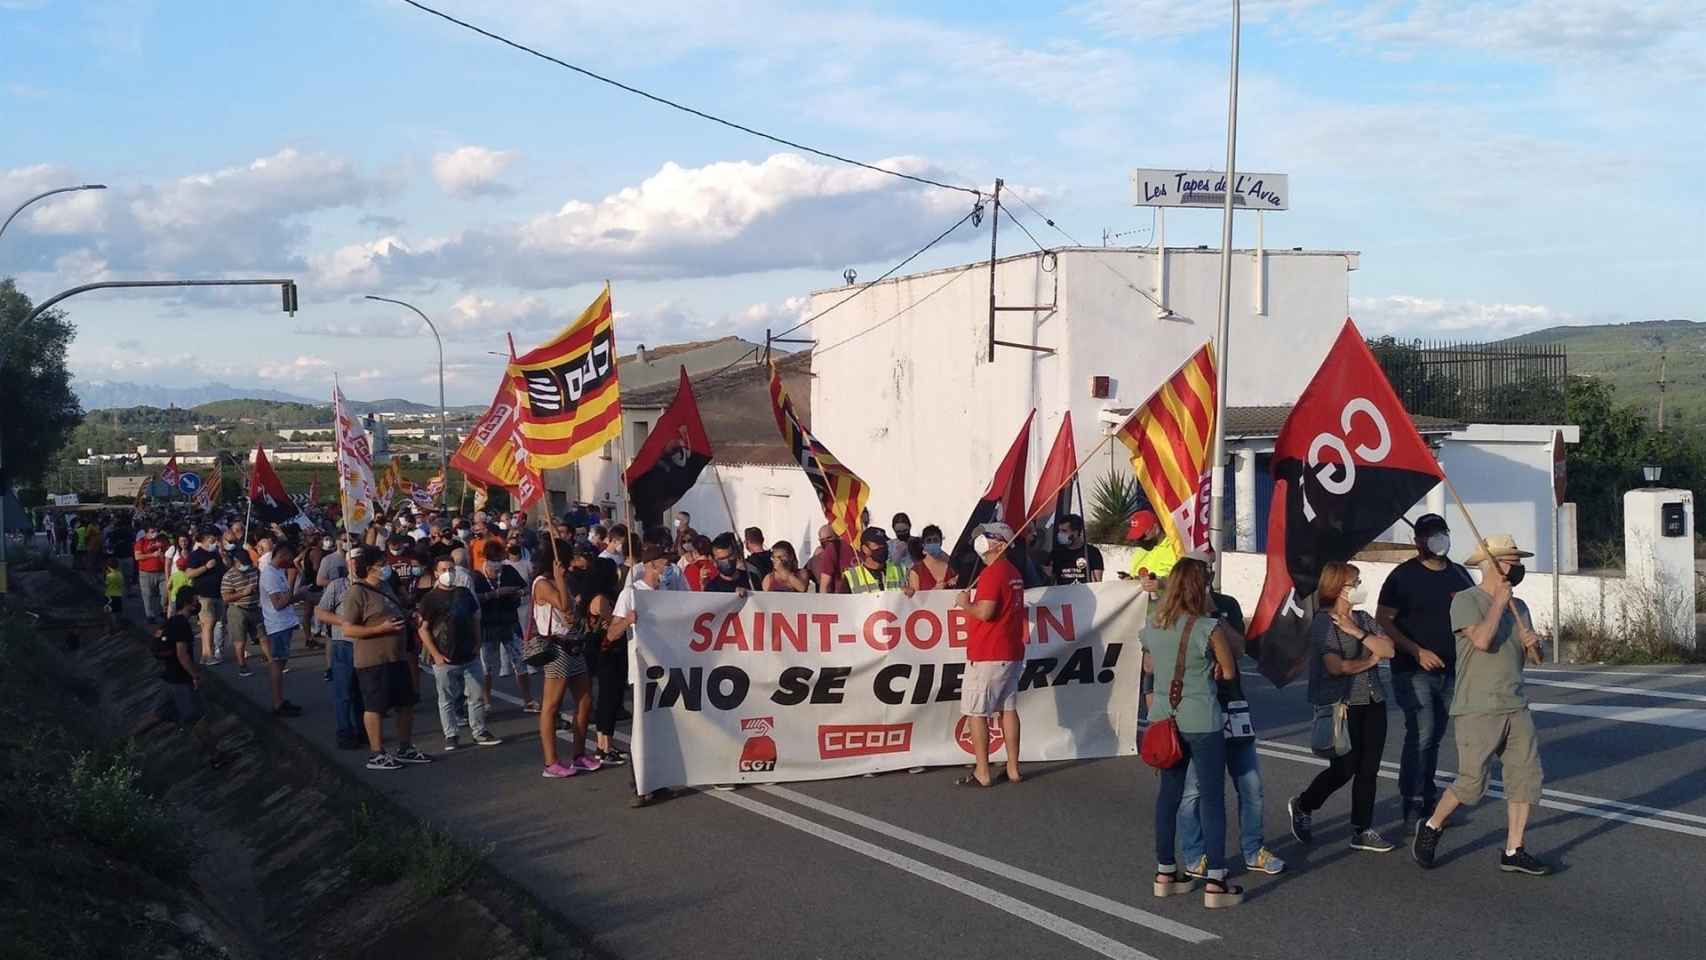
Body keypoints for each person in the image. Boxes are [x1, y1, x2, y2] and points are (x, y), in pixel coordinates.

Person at [1413, 534, 1552, 876]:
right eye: (1510, 561)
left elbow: (1534, 657)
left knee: (1525, 777)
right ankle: (1432, 826)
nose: (1517, 567)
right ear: (1491, 565)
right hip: (1477, 705)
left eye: (1518, 561)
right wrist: (1497, 604)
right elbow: (1481, 640)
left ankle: (1514, 849)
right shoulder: (1466, 600)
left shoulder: (1520, 608)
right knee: (1472, 783)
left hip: (1515, 703)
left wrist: (1535, 645)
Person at [1142, 556, 1244, 908]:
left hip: (1164, 720)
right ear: (1199, 587)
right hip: (1202, 719)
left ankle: (1165, 872)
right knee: (1212, 798)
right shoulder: (1208, 627)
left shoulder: (1153, 623)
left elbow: (1149, 664)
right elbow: (1230, 671)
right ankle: (1216, 879)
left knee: (1167, 796)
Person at [1177, 557, 1286, 877]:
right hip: (1197, 713)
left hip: (1233, 706)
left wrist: (1213, 614)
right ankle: (1195, 855)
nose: (1206, 578)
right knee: (1193, 791)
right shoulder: (1174, 616)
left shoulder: (1226, 605)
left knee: (1251, 785)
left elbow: (1238, 651)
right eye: (1201, 575)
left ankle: (1254, 849)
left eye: (1208, 573)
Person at [1288, 561, 1398, 853]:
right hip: (1343, 703)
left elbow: (1389, 650)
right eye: (1354, 583)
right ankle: (1304, 804)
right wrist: (1369, 661)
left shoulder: (1361, 619)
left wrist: (1359, 633)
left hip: (1373, 699)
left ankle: (1362, 829)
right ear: (1338, 587)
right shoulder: (1324, 623)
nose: (1359, 587)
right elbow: (1336, 666)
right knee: (1344, 768)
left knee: (1369, 769)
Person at [1377, 513, 1475, 835]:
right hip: (1413, 669)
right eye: (1431, 534)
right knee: (1422, 732)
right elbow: (1385, 619)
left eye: (1441, 533)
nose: (1438, 539)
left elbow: (1473, 614)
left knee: (1435, 736)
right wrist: (1416, 651)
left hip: (1453, 668)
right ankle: (1414, 803)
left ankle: (1428, 796)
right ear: (1417, 541)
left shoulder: (1460, 575)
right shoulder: (1402, 577)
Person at [339, 546, 431, 771]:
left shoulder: (386, 586)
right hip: (373, 660)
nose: (387, 568)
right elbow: (348, 629)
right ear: (370, 567)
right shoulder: (356, 592)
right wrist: (380, 628)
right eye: (383, 564)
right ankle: (376, 753)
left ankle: (405, 747)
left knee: (406, 703)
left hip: (397, 656)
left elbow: (397, 609)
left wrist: (410, 616)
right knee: (375, 706)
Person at [953, 523, 1025, 788]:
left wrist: (965, 604)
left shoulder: (993, 574)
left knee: (977, 712)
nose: (982, 540)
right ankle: (1013, 767)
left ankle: (982, 771)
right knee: (1008, 709)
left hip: (988, 652)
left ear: (1001, 544)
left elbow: (985, 612)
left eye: (989, 537)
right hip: (1010, 651)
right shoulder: (1013, 572)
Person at [134, 586, 227, 769]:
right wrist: (195, 675)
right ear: (189, 603)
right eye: (195, 601)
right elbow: (182, 654)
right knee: (197, 719)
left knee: (156, 715)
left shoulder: (171, 621)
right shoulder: (182, 624)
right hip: (180, 680)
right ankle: (216, 756)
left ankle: (124, 742)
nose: (198, 604)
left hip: (169, 677)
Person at [531, 539, 602, 778]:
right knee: (552, 705)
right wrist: (559, 577)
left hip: (573, 643)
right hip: (555, 647)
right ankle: (551, 761)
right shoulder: (542, 583)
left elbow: (568, 610)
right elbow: (561, 603)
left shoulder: (559, 581)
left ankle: (579, 754)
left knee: (584, 700)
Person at [418, 557, 501, 750]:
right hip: (445, 658)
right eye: (444, 569)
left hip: (469, 655)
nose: (449, 572)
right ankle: (451, 734)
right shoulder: (430, 598)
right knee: (447, 698)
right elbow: (423, 629)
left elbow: (475, 618)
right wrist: (436, 655)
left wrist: (478, 641)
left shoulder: (464, 593)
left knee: (476, 695)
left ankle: (479, 731)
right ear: (436, 573)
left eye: (451, 568)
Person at [474, 541, 535, 714]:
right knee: (486, 666)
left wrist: (516, 592)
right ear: (487, 558)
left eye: (500, 559)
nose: (498, 563)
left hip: (509, 622)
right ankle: (486, 703)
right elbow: (472, 597)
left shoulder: (508, 570)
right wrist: (492, 594)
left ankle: (528, 700)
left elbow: (525, 587)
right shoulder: (477, 575)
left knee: (520, 662)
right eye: (494, 560)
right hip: (487, 625)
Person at [313, 553, 364, 750]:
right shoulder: (337, 586)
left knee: (362, 692)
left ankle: (363, 730)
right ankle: (345, 731)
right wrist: (343, 622)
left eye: (360, 559)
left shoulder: (371, 584)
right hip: (344, 644)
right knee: (343, 692)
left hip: (366, 645)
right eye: (352, 560)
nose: (356, 563)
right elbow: (321, 611)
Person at [259, 541, 309, 717]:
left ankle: (279, 700)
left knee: (280, 662)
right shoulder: (269, 575)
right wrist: (296, 595)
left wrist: (296, 595)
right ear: (282, 554)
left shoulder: (277, 572)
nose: (291, 561)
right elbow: (278, 604)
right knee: (277, 663)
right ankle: (277, 703)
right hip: (277, 624)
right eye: (290, 557)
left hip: (283, 623)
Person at [220, 546, 263, 678]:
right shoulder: (229, 576)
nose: (246, 565)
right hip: (237, 609)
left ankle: (271, 660)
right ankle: (242, 665)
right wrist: (243, 593)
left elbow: (261, 584)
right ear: (236, 561)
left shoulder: (254, 571)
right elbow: (226, 597)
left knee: (263, 636)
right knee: (240, 640)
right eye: (243, 563)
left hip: (255, 607)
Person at [187, 528, 225, 665]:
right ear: (204, 539)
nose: (215, 541)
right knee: (208, 624)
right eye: (212, 538)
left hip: (218, 593)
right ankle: (208, 655)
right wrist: (205, 567)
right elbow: (189, 573)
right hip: (204, 595)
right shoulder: (196, 555)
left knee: (215, 624)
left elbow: (225, 568)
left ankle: (206, 655)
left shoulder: (216, 554)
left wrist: (223, 554)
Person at [1124, 509, 1177, 588]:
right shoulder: (1141, 551)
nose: (1140, 540)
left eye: (1142, 536)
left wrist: (1161, 583)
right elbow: (1134, 576)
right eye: (1137, 537)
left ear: (1156, 528)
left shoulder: (1177, 548)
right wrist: (1130, 580)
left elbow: (1186, 580)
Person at [1047, 513, 1104, 586]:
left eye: (1064, 531)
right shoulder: (1056, 552)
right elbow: (1051, 579)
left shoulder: (1092, 552)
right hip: (1062, 595)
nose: (1060, 534)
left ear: (1076, 532)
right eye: (1059, 530)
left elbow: (1097, 582)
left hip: (1084, 595)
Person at [845, 527, 906, 593]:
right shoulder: (850, 577)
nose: (882, 547)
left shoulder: (901, 570)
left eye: (884, 544)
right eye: (877, 544)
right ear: (865, 549)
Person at [907, 525, 959, 592]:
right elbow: (914, 601)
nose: (932, 543)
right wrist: (934, 591)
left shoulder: (951, 568)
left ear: (941, 542)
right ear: (923, 544)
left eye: (935, 540)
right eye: (929, 541)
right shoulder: (916, 571)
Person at [809, 524, 856, 594]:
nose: (826, 541)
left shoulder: (846, 549)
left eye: (829, 538)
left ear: (837, 536)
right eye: (822, 540)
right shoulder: (818, 555)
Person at [135, 523, 167, 622]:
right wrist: (152, 555)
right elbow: (137, 557)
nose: (154, 534)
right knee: (147, 595)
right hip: (146, 573)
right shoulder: (141, 542)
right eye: (152, 532)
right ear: (146, 533)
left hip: (162, 572)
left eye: (155, 531)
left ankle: (163, 611)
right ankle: (150, 615)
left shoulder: (162, 540)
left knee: (164, 594)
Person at [102, 556, 124, 631]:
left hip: (109, 596)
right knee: (118, 611)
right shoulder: (120, 574)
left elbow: (106, 584)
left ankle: (111, 628)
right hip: (118, 595)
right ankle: (118, 626)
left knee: (110, 613)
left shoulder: (109, 575)